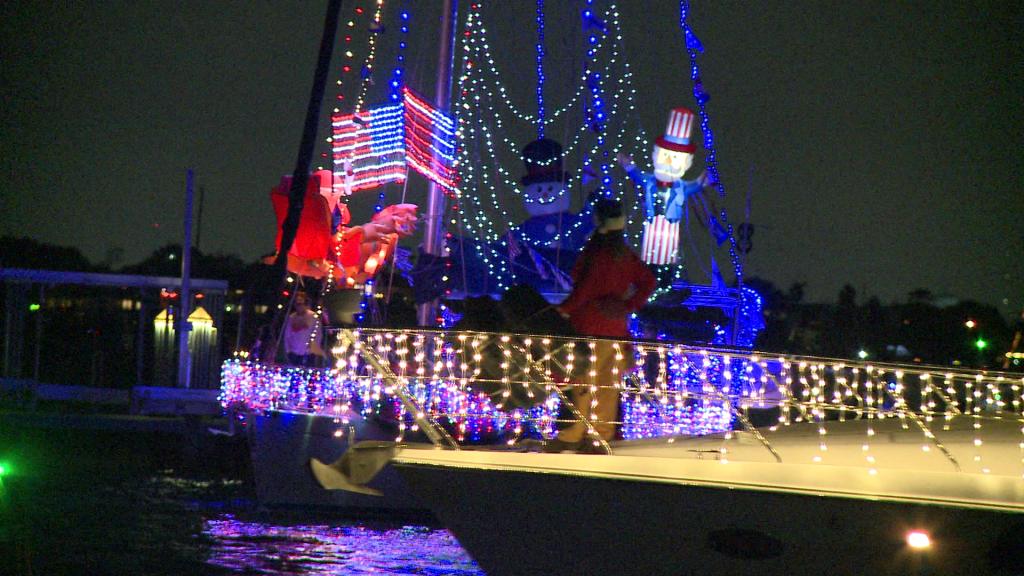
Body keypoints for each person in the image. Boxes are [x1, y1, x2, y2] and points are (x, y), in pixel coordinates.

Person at [546, 197, 656, 454]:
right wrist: (628, 306)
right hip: (614, 329)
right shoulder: (624, 254)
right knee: (606, 386)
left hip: (588, 327)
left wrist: (563, 309)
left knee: (580, 382)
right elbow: (648, 281)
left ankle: (573, 435)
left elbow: (586, 289)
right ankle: (600, 435)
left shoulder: (598, 252)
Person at [283, 292, 325, 367]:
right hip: (294, 353)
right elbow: (287, 335)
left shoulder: (313, 316)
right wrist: (288, 349)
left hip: (309, 353)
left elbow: (318, 335)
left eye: (300, 304)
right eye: (296, 304)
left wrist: (313, 349)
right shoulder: (291, 317)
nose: (298, 306)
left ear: (305, 303)